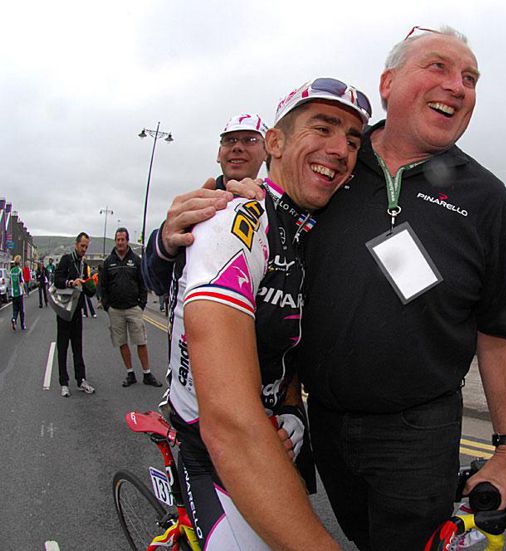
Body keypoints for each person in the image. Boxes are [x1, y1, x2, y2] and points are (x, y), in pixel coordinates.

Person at [146, 27, 506, 550]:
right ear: (388, 84)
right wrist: (165, 241)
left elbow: (499, 328)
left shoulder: (485, 195)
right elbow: (233, 235)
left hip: (419, 430)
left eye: (470, 78)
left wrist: (505, 450)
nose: (457, 86)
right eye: (438, 67)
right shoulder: (331, 174)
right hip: (324, 423)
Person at [161, 79, 369, 550]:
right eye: (323, 127)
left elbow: (292, 341)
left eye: (353, 141)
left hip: (276, 434)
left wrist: (292, 408)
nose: (340, 149)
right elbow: (230, 422)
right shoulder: (237, 220)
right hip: (214, 445)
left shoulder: (318, 230)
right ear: (274, 142)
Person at [141, 113, 268, 293]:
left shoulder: (275, 208)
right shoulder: (193, 208)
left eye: (250, 140)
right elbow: (155, 284)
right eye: (229, 140)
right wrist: (164, 242)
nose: (237, 147)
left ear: (267, 152)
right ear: (219, 154)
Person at [98, 228, 162, 388]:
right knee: (122, 342)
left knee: (141, 341)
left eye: (123, 240)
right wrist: (106, 305)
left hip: (134, 308)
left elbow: (143, 283)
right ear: (115, 241)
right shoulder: (108, 262)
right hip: (115, 310)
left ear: (127, 241)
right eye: (118, 240)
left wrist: (142, 304)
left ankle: (147, 373)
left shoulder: (136, 260)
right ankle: (130, 373)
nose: (120, 242)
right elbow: (102, 285)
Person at [54, 232, 97, 397]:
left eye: (86, 247)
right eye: (82, 246)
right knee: (63, 347)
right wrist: (70, 282)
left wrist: (92, 284)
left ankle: (81, 380)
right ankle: (63, 383)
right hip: (64, 310)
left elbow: (87, 290)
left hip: (77, 310)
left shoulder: (83, 264)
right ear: (76, 244)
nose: (84, 249)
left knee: (78, 347)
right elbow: (57, 279)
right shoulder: (66, 260)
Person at [9, 255, 25, 330]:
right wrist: (24, 291)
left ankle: (14, 319)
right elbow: (21, 282)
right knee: (21, 310)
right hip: (19, 293)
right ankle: (22, 325)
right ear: (19, 262)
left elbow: (10, 282)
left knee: (15, 309)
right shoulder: (19, 270)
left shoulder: (11, 271)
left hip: (13, 293)